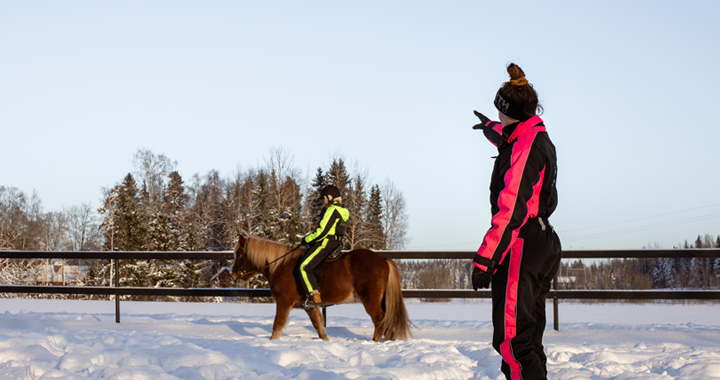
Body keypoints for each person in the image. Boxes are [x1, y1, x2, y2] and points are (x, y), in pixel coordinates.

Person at [471, 63, 562, 380]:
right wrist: (489, 131)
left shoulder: (524, 147)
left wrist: (485, 260)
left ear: (509, 111)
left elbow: (510, 211)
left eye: (500, 113)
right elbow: (509, 140)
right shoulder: (535, 135)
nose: (498, 118)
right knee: (529, 337)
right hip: (542, 241)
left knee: (513, 342)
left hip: (521, 245)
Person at [296, 185, 349, 307]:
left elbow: (322, 231)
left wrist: (307, 239)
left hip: (326, 242)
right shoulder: (339, 211)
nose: (323, 201)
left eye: (324, 199)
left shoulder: (332, 210)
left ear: (330, 198)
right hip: (335, 242)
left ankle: (314, 296)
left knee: (304, 266)